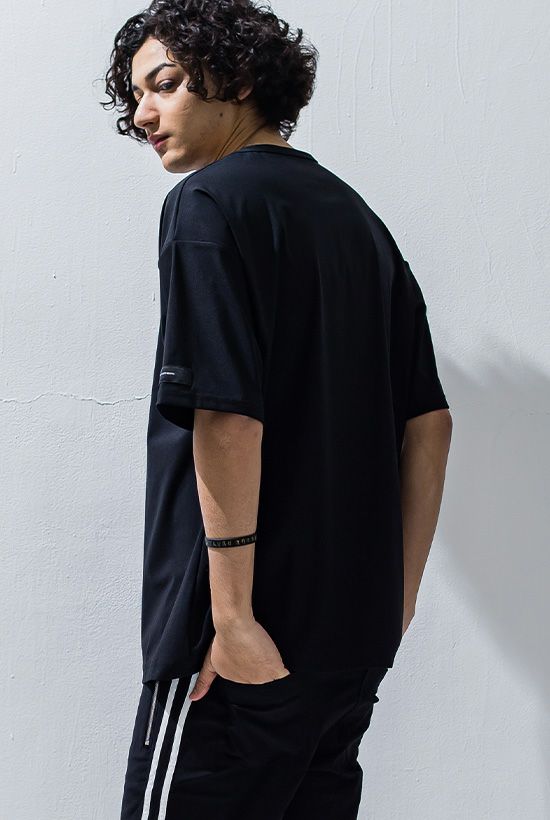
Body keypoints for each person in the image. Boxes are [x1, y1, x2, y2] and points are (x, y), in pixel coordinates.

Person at [101, 1, 453, 817]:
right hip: (349, 643)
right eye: (135, 97)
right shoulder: (359, 221)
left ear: (239, 79)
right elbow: (429, 423)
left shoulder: (208, 204)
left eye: (165, 84)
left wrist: (230, 618)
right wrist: (393, 603)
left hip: (236, 649)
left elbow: (226, 414)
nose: (143, 114)